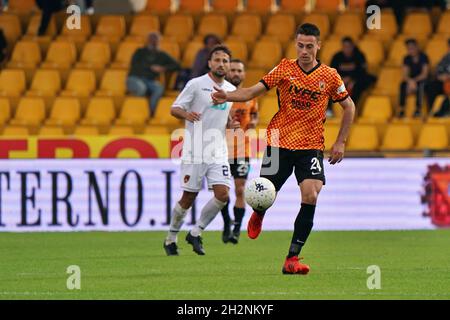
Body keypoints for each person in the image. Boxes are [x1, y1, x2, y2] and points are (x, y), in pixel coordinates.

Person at [212, 23, 355, 274]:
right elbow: (250, 92)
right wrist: (228, 96)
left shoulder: (330, 76)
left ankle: (292, 258)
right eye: (300, 46)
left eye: (310, 46)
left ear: (318, 46)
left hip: (311, 146)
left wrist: (341, 141)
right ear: (296, 45)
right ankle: (258, 213)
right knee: (265, 194)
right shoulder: (284, 69)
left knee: (311, 195)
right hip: (279, 143)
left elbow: (349, 107)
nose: (305, 51)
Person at [163, 45, 237, 256]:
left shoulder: (231, 90)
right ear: (209, 63)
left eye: (225, 60)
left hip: (218, 151)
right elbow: (174, 108)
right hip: (195, 150)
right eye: (217, 59)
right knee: (188, 198)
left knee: (223, 195)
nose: (221, 63)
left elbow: (224, 114)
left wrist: (231, 122)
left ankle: (196, 232)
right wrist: (187, 116)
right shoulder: (196, 84)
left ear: (228, 65)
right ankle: (171, 237)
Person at [221, 59, 259, 244]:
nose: (236, 73)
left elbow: (254, 114)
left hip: (242, 151)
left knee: (240, 189)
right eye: (233, 70)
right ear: (228, 72)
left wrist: (254, 122)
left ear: (244, 74)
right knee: (222, 192)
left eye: (239, 70)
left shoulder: (250, 97)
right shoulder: (222, 95)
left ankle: (236, 229)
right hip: (220, 150)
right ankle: (227, 222)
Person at [127, 32, 180, 117]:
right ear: (148, 41)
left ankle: (151, 112)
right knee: (141, 88)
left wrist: (163, 68)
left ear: (159, 42)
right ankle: (138, 111)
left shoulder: (161, 55)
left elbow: (177, 65)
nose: (153, 42)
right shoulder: (140, 51)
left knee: (159, 88)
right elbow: (134, 64)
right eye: (151, 39)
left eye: (155, 40)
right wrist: (150, 67)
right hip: (135, 78)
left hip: (149, 80)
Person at [330, 37, 376, 106]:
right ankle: (329, 108)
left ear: (352, 46)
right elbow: (332, 72)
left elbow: (362, 71)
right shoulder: (337, 57)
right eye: (345, 47)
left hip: (356, 80)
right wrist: (341, 79)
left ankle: (353, 106)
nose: (347, 49)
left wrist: (352, 80)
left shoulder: (359, 56)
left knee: (359, 85)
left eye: (349, 46)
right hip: (340, 80)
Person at [398, 38, 430, 118]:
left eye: (412, 48)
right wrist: (410, 82)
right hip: (411, 81)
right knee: (402, 85)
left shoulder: (424, 57)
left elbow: (424, 74)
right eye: (409, 48)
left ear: (417, 47)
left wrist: (414, 81)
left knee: (421, 85)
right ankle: (402, 109)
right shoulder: (406, 58)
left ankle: (418, 109)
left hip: (421, 80)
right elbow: (405, 74)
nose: (411, 50)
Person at [429, 38, 450, 109]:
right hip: (444, 82)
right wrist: (440, 77)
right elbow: (438, 71)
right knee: (431, 86)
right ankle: (432, 110)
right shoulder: (445, 58)